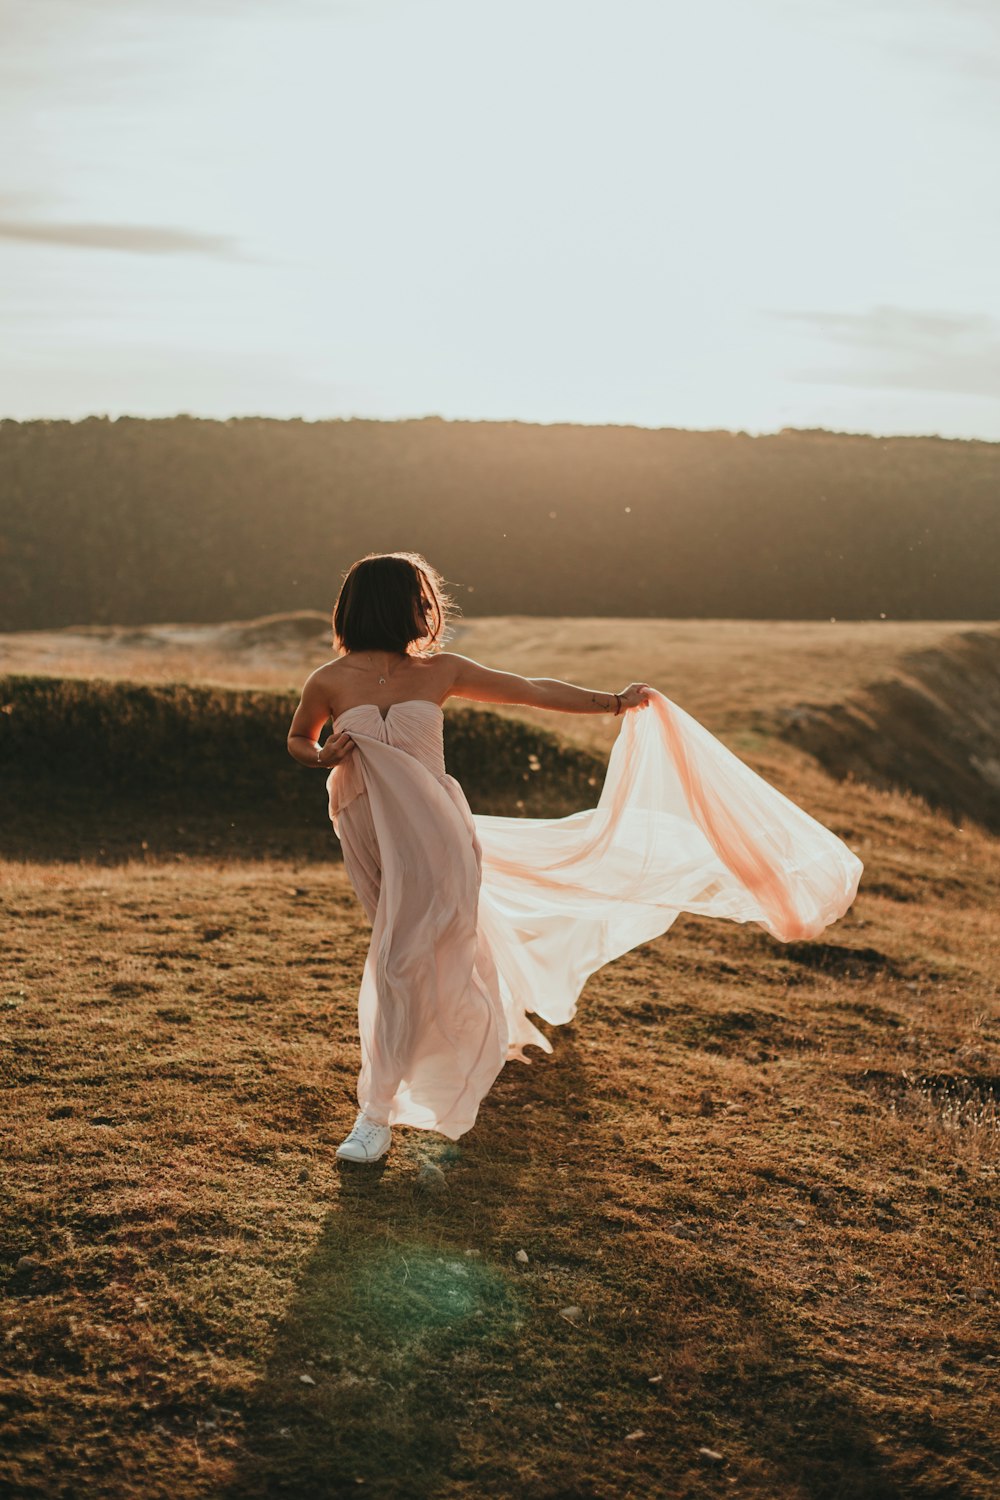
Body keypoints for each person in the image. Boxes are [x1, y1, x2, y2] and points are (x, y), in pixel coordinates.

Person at [288, 550, 862, 1164]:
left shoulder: (440, 671)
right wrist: (321, 756)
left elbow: (531, 691)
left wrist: (613, 702)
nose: (428, 610)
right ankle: (489, 1019)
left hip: (436, 834)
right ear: (396, 605)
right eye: (420, 599)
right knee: (418, 945)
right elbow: (300, 739)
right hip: (366, 828)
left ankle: (375, 1115)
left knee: (400, 959)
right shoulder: (329, 679)